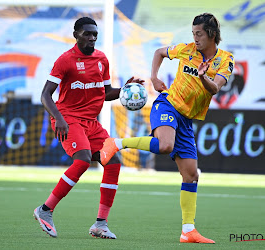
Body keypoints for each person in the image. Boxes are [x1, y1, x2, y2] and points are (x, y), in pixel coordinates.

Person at [100, 13, 234, 244]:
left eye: (199, 34)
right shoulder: (186, 49)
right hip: (168, 104)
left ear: (211, 34)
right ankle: (116, 143)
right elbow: (159, 52)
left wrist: (202, 77)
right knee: (165, 145)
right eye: (193, 33)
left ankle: (188, 231)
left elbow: (215, 88)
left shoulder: (225, 59)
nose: (195, 38)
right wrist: (154, 77)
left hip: (186, 119)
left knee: (191, 175)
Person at [33, 17, 143, 239]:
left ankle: (100, 224)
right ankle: (45, 210)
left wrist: (124, 91)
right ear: (76, 34)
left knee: (113, 162)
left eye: (95, 34)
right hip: (68, 119)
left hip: (91, 123)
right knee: (82, 160)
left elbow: (105, 92)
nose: (92, 38)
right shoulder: (65, 61)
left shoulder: (102, 59)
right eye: (87, 34)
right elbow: (45, 95)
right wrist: (59, 119)